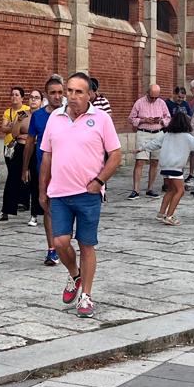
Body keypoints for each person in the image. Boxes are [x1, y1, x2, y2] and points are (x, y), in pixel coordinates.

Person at [39, 72, 122, 318]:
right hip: (59, 193)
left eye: (79, 92)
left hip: (88, 193)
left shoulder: (102, 119)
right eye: (70, 91)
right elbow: (46, 155)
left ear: (89, 95)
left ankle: (85, 295)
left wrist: (99, 181)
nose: (72, 96)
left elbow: (115, 154)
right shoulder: (55, 117)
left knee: (86, 244)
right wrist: (42, 190)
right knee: (60, 242)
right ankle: (75, 275)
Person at [24, 75, 65, 263]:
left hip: (67, 169)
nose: (57, 96)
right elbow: (30, 142)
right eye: (53, 93)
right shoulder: (39, 116)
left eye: (60, 93)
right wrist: (25, 167)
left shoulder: (70, 114)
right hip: (45, 169)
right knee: (48, 208)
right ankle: (52, 248)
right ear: (46, 95)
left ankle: (64, 242)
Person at [155, 111, 194, 226]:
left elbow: (155, 143)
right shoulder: (187, 137)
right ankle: (169, 216)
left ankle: (161, 213)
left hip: (165, 167)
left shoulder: (167, 135)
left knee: (171, 190)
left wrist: (141, 148)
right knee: (180, 191)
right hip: (175, 168)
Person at [128, 83, 171, 199]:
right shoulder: (139, 102)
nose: (153, 99)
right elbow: (131, 118)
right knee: (140, 161)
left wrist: (161, 121)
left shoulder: (161, 103)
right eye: (151, 97)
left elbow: (168, 118)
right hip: (143, 133)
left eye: (156, 97)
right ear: (147, 93)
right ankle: (135, 190)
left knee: (155, 162)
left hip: (158, 133)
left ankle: (150, 189)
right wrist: (143, 120)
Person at [0, 87, 29, 223]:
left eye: (17, 95)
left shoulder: (27, 110)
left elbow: (23, 128)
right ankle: (13, 203)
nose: (14, 97)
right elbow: (3, 128)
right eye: (12, 95)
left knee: (26, 173)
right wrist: (14, 126)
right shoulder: (7, 111)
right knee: (13, 173)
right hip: (10, 146)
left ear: (22, 98)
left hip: (24, 145)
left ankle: (24, 201)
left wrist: (12, 125)